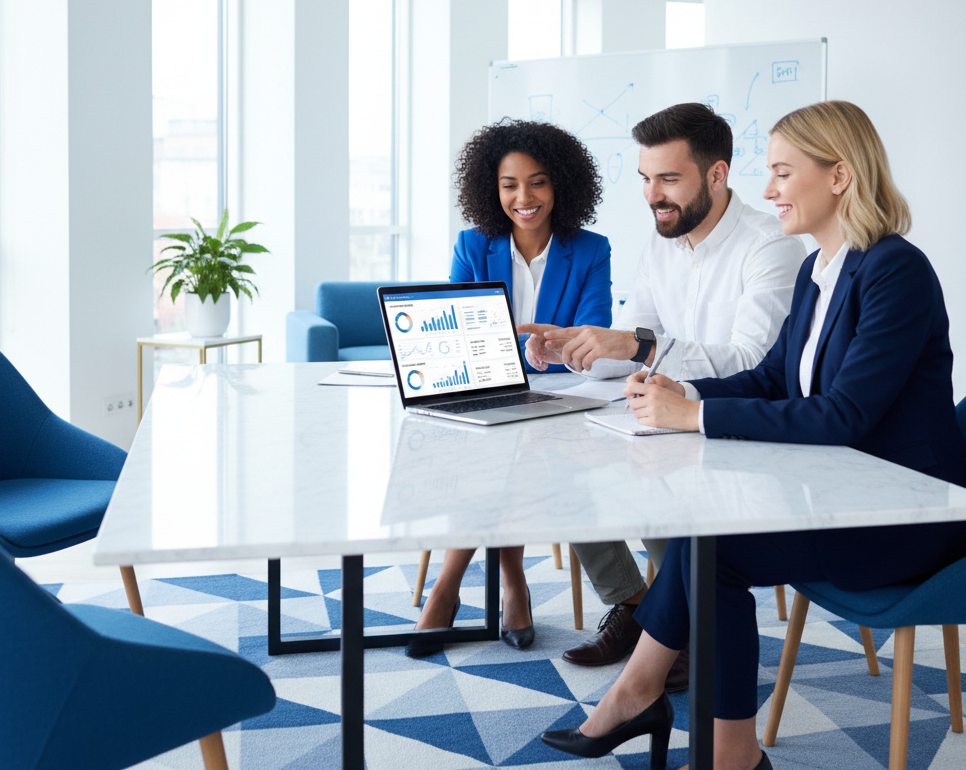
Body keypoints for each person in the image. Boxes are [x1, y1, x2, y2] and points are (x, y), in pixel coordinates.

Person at [539, 99, 966, 770]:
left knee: (715, 551)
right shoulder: (820, 270)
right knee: (703, 533)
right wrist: (685, 394)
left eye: (783, 173)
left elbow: (844, 414)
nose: (768, 190)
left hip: (903, 517)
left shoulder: (894, 271)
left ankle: (689, 727)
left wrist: (695, 418)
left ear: (840, 176)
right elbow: (772, 377)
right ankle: (652, 701)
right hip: (840, 494)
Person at [520, 102, 805, 687]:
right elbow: (635, 342)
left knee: (646, 464)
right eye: (646, 179)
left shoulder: (770, 246)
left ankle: (681, 624)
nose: (653, 196)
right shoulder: (661, 245)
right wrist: (578, 345)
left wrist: (637, 346)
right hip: (667, 418)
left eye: (669, 179)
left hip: (732, 425)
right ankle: (635, 606)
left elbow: (753, 364)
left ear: (717, 174)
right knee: (562, 454)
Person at [407, 118, 613, 658]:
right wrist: (532, 346)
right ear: (491, 189)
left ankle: (448, 590)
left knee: (509, 448)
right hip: (483, 390)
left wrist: (547, 348)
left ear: (560, 184)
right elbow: (456, 329)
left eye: (538, 182)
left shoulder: (591, 250)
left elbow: (590, 337)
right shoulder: (473, 245)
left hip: (558, 398)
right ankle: (511, 582)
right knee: (494, 448)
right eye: (510, 185)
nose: (524, 198)